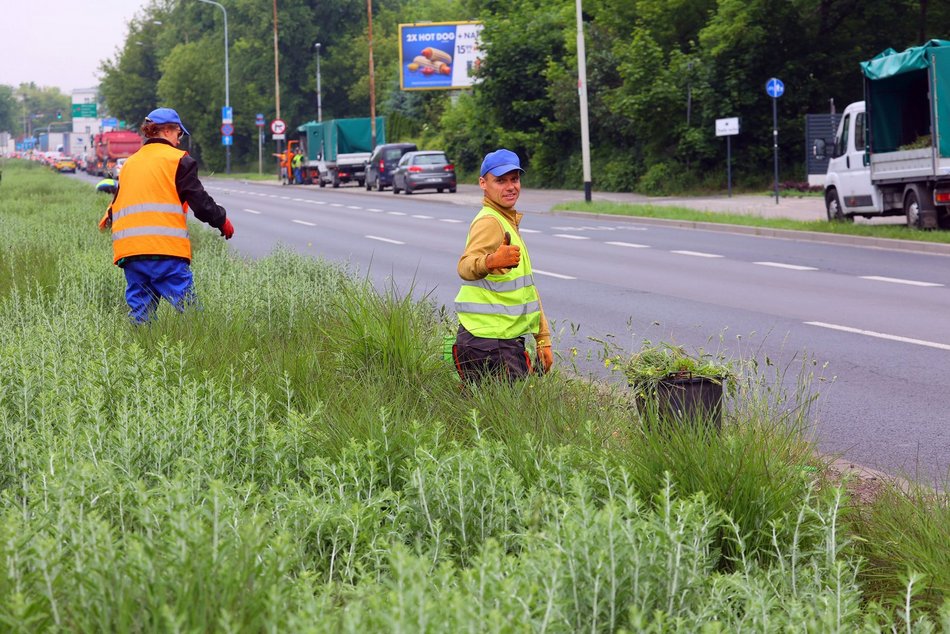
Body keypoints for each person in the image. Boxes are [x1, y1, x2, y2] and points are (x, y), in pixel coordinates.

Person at [97, 107, 234, 323]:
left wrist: (105, 221)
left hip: (130, 252)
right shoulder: (178, 160)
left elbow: (117, 202)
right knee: (190, 313)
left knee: (141, 315)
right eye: (179, 134)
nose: (179, 141)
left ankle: (140, 353)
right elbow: (200, 201)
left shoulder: (130, 163)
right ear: (169, 130)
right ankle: (202, 351)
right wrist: (221, 220)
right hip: (164, 250)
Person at [452, 148, 554, 381]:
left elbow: (527, 288)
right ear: (483, 183)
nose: (510, 186)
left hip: (495, 340)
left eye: (514, 179)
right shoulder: (490, 221)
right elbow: (465, 266)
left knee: (485, 413)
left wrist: (543, 338)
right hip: (489, 344)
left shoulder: (505, 220)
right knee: (510, 413)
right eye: (500, 180)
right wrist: (491, 261)